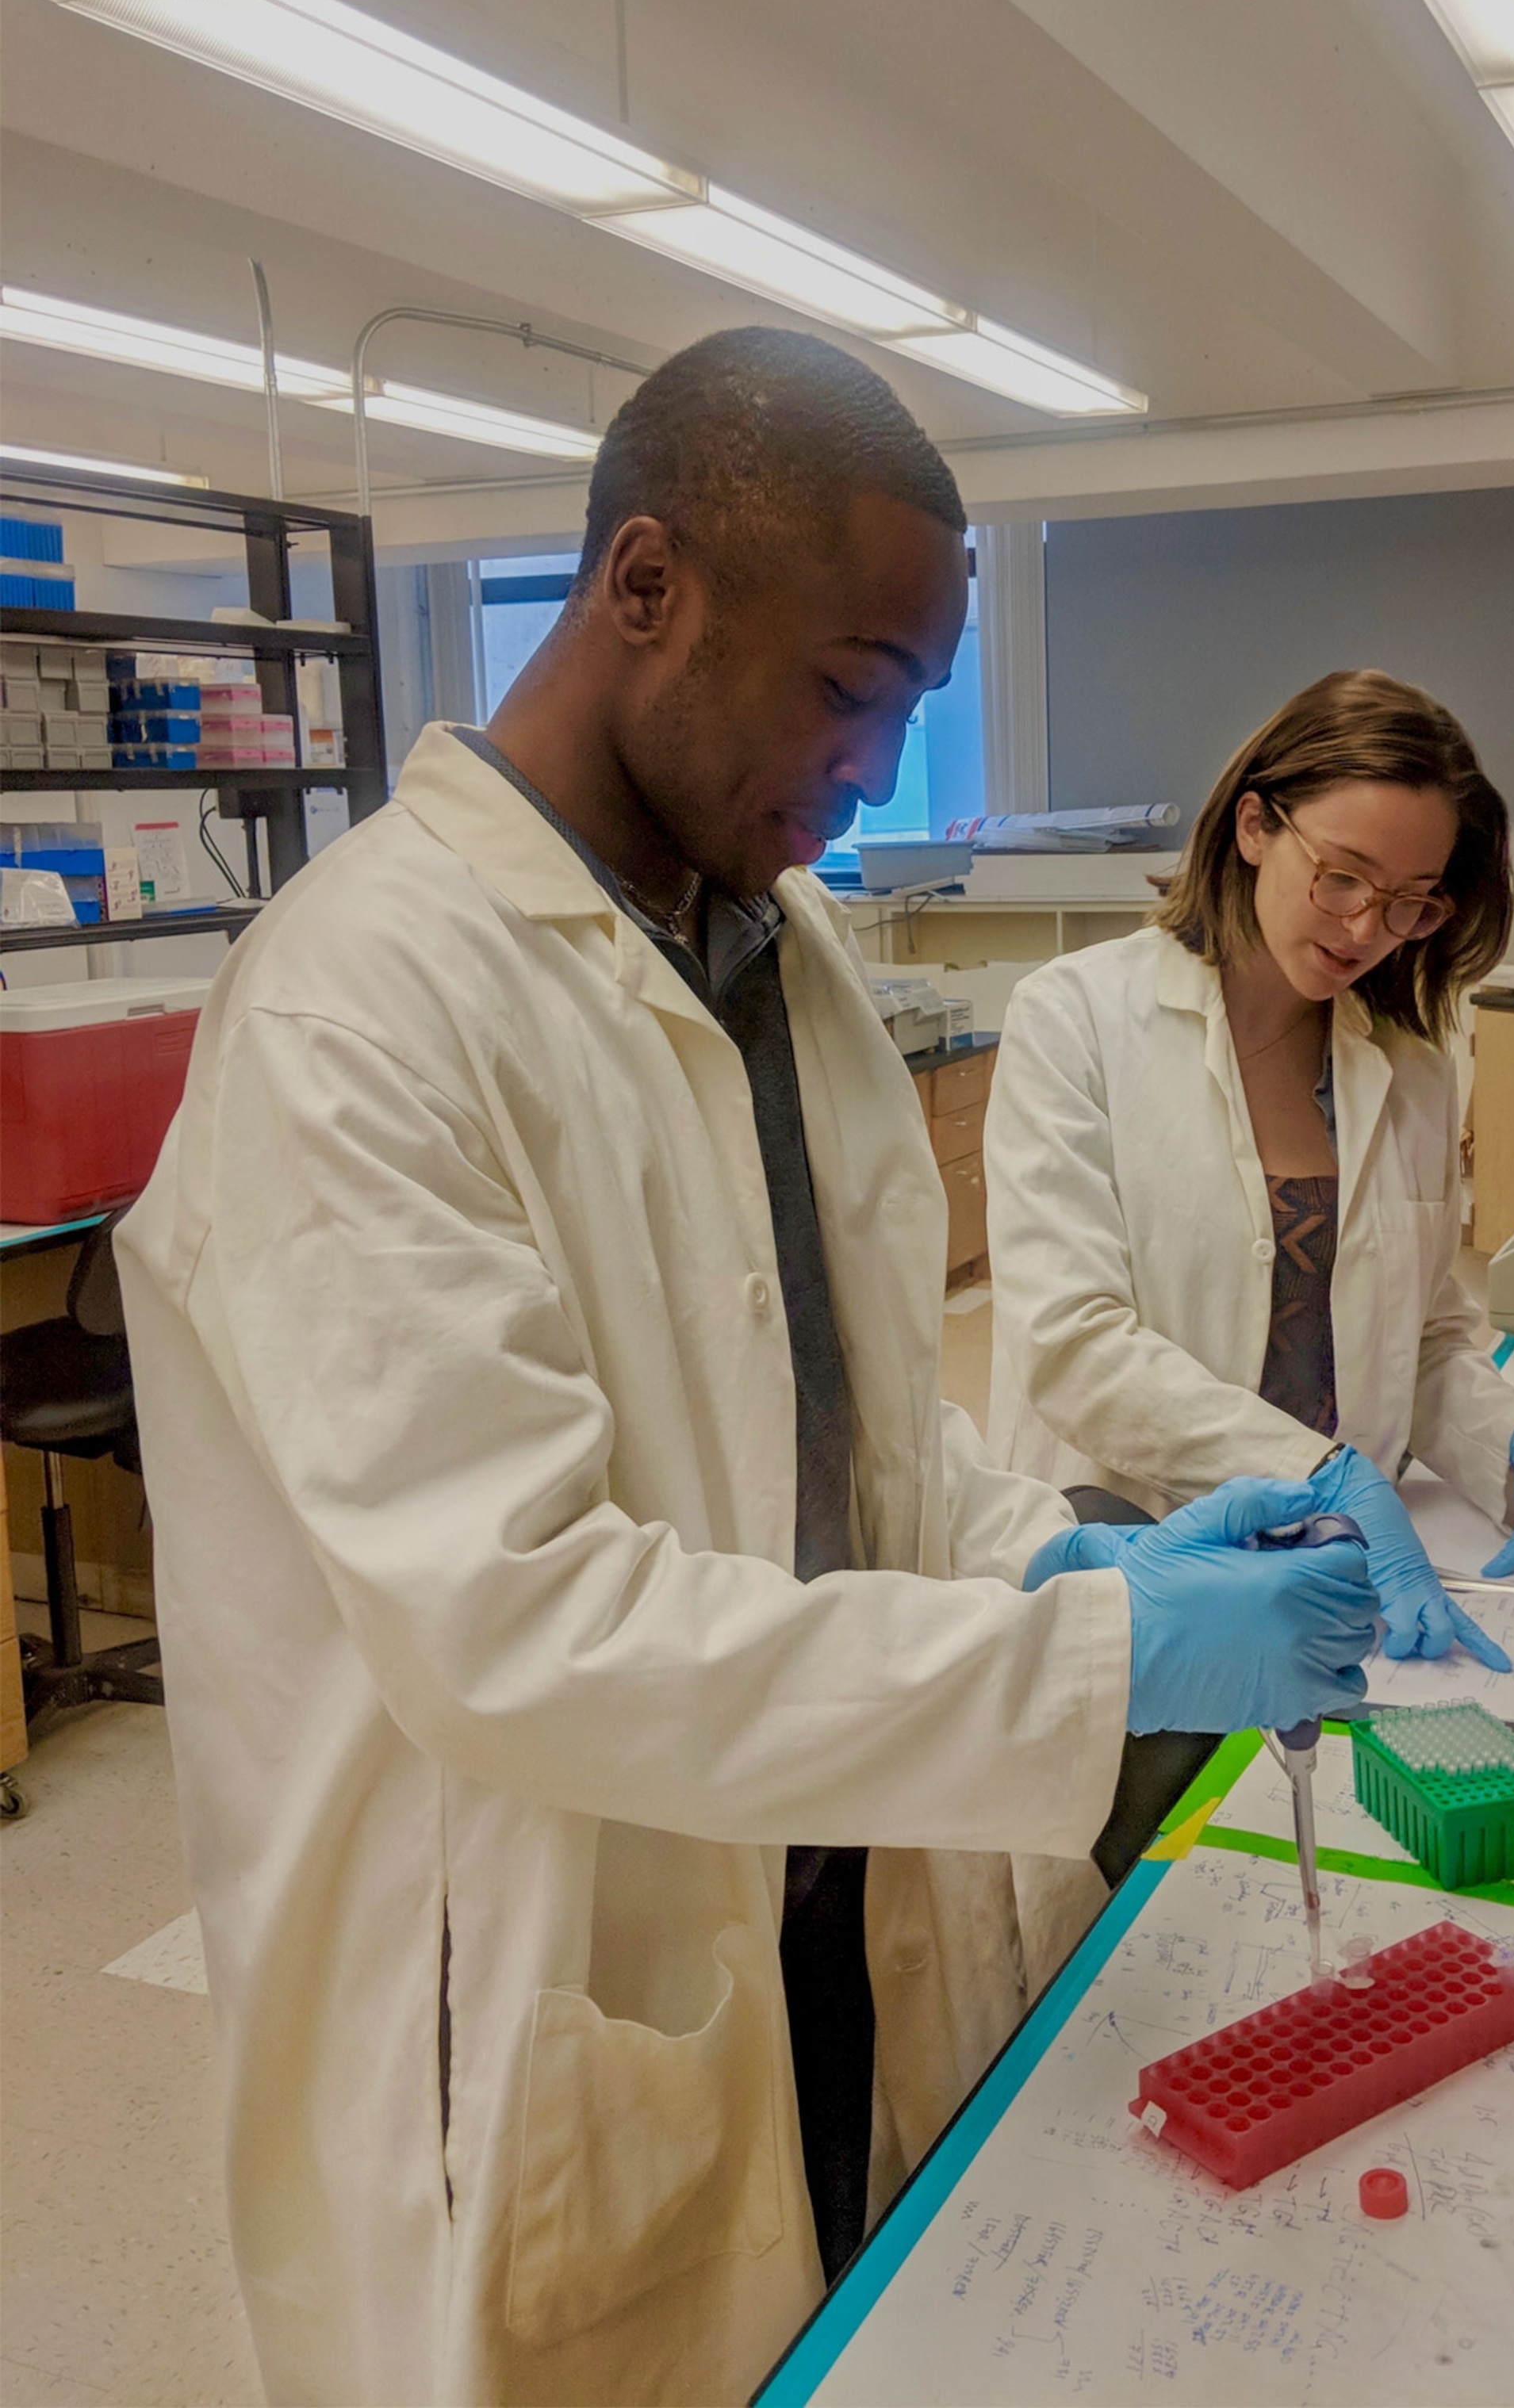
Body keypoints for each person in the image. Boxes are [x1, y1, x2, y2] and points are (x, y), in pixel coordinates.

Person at [117, 332, 1378, 2408]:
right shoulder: (358, 1007)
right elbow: (521, 1628)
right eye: (853, 688)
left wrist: (1071, 1556)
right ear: (647, 588)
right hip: (541, 1969)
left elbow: (866, 1445)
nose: (879, 771)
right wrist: (1098, 1659)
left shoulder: (781, 962)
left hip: (838, 1877)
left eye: (910, 705)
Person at [985, 666, 1514, 1668]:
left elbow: (1421, 1340)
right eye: (1343, 877)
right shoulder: (1074, 1018)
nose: (1365, 931)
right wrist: (1317, 1471)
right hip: (1134, 1551)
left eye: (1411, 902)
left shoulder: (1410, 1065)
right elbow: (1071, 1344)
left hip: (1345, 1568)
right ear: (1256, 826)